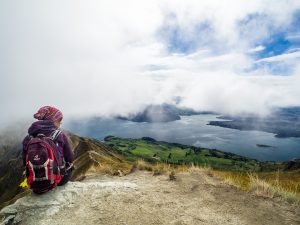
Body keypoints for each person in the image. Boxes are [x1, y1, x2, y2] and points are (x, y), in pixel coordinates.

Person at [22, 106, 75, 188]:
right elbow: (70, 158)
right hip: (59, 180)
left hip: (34, 182)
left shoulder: (29, 137)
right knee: (70, 164)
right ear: (53, 119)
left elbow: (24, 161)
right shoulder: (59, 135)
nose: (60, 123)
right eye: (59, 120)